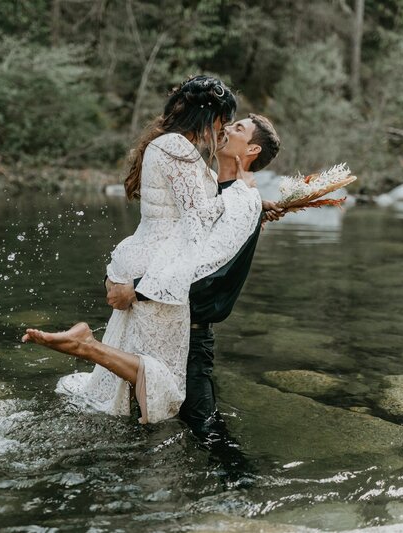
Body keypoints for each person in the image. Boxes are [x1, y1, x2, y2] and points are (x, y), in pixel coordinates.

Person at [23, 75, 266, 424]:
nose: (224, 128)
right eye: (223, 120)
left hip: (142, 257)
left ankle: (92, 353)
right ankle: (86, 345)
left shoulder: (167, 144)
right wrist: (244, 194)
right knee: (164, 378)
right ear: (208, 117)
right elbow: (196, 219)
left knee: (136, 364)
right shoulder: (180, 149)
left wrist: (258, 203)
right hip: (157, 268)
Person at [106, 114, 282, 439]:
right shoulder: (210, 187)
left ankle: (237, 487)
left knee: (207, 434)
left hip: (191, 339)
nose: (226, 128)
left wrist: (135, 291)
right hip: (159, 323)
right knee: (142, 425)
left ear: (253, 148)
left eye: (238, 128)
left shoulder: (243, 201)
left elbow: (207, 274)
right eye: (229, 123)